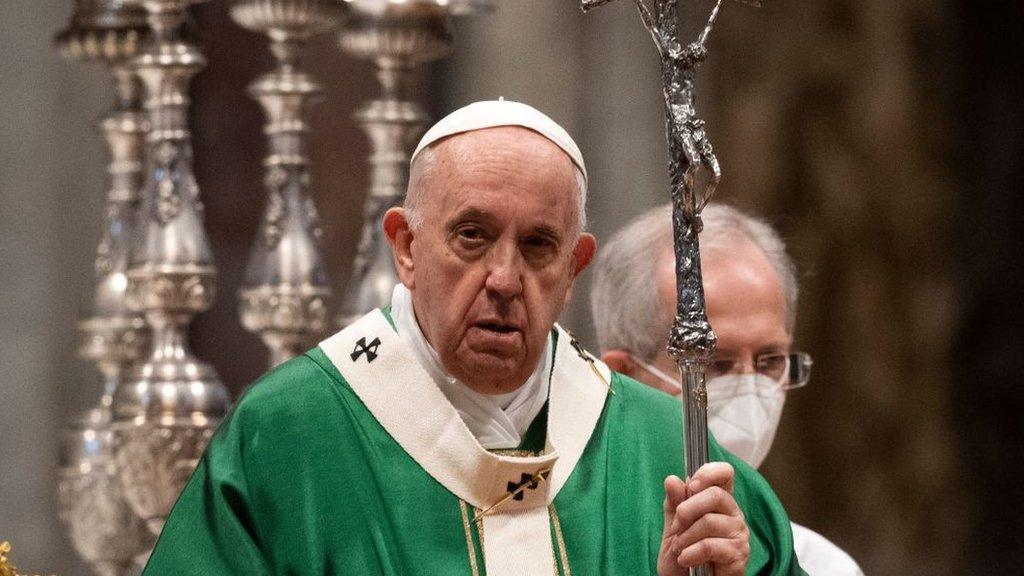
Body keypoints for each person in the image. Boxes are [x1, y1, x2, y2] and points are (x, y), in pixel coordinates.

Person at [142, 100, 803, 576]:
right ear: (404, 246)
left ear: (573, 268)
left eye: (539, 245)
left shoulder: (669, 454)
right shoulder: (288, 434)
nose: (504, 278)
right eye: (472, 236)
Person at [591, 203, 864, 575]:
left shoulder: (820, 566)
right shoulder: (574, 549)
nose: (751, 390)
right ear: (622, 377)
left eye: (769, 361)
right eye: (715, 364)